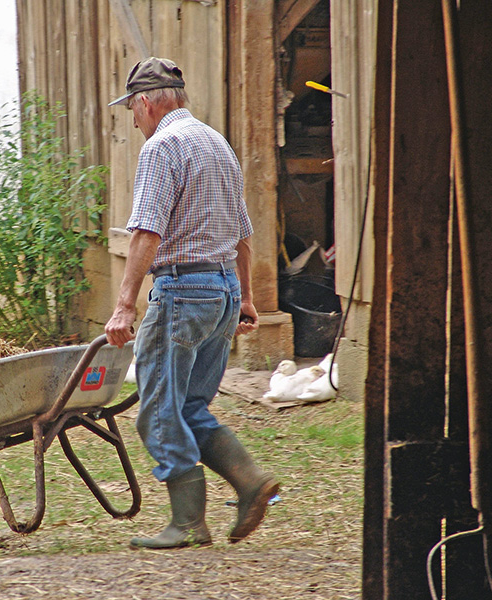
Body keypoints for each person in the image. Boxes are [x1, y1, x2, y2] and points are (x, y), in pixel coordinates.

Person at [105, 57, 279, 549]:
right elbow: (243, 233)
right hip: (222, 292)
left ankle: (187, 523)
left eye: (133, 110)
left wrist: (124, 305)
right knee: (189, 405)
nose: (135, 120)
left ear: (145, 101)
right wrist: (244, 297)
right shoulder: (216, 143)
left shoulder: (163, 147)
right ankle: (250, 483)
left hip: (183, 292)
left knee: (159, 407)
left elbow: (146, 233)